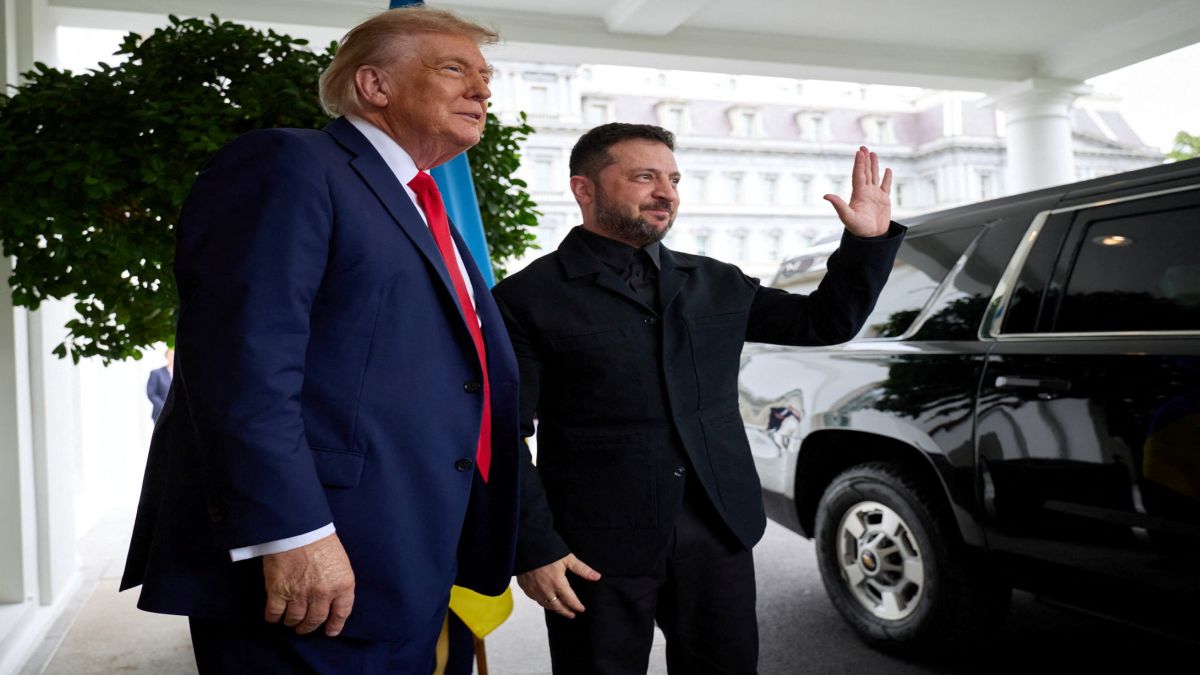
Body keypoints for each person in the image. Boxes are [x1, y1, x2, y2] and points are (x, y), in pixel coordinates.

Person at [120, 8, 520, 673]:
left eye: (485, 76)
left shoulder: (427, 207)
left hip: (410, 561)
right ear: (374, 85)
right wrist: (293, 530)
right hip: (313, 566)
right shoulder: (291, 163)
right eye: (455, 69)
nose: (482, 90)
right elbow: (241, 362)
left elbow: (466, 384)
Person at [492, 123, 905, 674]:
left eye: (674, 179)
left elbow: (823, 320)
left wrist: (867, 243)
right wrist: (535, 545)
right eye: (644, 177)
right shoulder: (525, 297)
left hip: (718, 530)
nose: (666, 193)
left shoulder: (716, 281)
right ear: (583, 189)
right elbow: (502, 432)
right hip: (594, 548)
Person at [145, 348, 173, 422]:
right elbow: (151, 394)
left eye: (175, 355)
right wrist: (165, 407)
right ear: (166, 356)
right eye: (171, 355)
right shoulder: (157, 373)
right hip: (161, 413)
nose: (173, 357)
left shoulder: (183, 375)